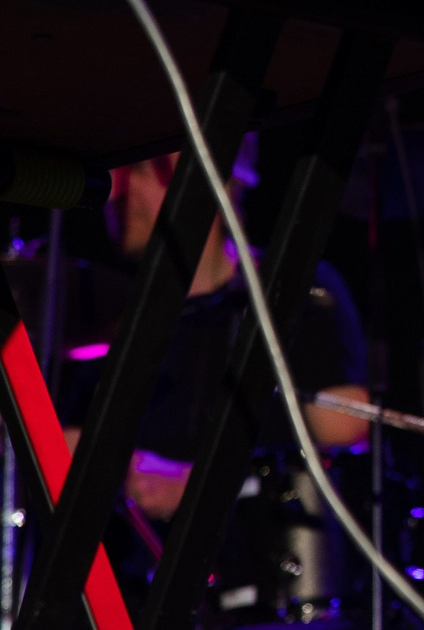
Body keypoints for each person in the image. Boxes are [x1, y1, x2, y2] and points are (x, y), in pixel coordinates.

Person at [63, 137, 371, 523]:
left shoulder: (289, 290)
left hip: (256, 554)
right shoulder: (102, 307)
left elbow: (345, 423)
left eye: (140, 170)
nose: (115, 190)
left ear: (217, 183)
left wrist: (204, 479)